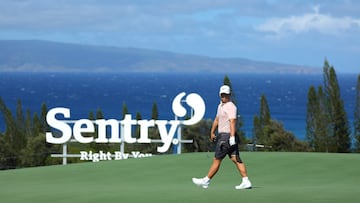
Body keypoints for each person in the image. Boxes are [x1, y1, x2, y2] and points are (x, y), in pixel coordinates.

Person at [192, 85, 252, 189]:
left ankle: (206, 180)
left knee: (217, 159)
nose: (223, 96)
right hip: (224, 136)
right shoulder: (220, 106)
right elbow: (217, 119)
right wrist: (212, 132)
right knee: (235, 158)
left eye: (226, 95)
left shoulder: (231, 107)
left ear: (229, 95)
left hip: (226, 137)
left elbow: (232, 122)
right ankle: (246, 181)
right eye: (222, 95)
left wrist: (232, 137)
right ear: (220, 95)